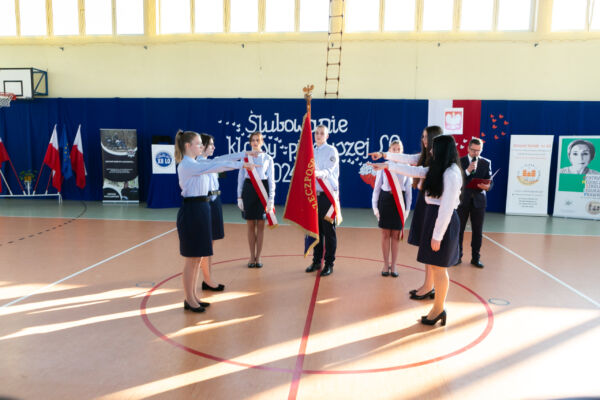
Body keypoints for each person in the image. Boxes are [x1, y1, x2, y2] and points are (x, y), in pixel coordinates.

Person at [370, 135, 463, 326]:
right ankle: (437, 308)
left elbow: (446, 208)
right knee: (436, 266)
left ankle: (439, 308)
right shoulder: (440, 167)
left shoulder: (451, 174)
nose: (429, 151)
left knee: (440, 267)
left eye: (433, 148)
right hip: (434, 217)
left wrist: (437, 235)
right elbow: (416, 170)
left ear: (442, 150)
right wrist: (387, 164)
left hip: (442, 221)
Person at [175, 130, 257, 313]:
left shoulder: (196, 162)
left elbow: (218, 161)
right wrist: (242, 165)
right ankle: (189, 299)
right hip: (192, 210)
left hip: (202, 208)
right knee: (191, 259)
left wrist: (243, 156)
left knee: (197, 258)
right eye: (198, 144)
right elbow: (218, 166)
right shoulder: (187, 165)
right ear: (188, 146)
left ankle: (194, 297)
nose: (202, 147)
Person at [369, 126, 443, 299]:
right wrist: (384, 156)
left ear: (433, 139)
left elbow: (415, 171)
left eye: (427, 137)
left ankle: (430, 287)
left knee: (430, 247)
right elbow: (409, 160)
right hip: (422, 202)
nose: (424, 140)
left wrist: (387, 162)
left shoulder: (437, 160)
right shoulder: (422, 157)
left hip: (433, 204)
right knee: (425, 246)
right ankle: (427, 285)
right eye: (422, 137)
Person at [199, 133, 259, 291]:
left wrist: (244, 154)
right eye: (211, 144)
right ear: (202, 146)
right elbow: (223, 163)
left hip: (214, 202)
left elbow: (225, 158)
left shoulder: (210, 161)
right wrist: (242, 164)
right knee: (205, 245)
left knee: (210, 245)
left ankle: (208, 277)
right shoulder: (200, 163)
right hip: (205, 202)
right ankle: (207, 278)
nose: (213, 147)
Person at [371, 140, 412, 278]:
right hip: (386, 201)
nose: (397, 151)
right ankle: (385, 264)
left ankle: (394, 265)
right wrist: (375, 207)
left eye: (399, 149)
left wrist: (406, 211)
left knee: (395, 235)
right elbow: (377, 188)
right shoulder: (384, 166)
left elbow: (408, 192)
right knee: (385, 234)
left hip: (399, 203)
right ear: (389, 151)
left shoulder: (406, 166)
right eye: (394, 149)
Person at [237, 132, 275, 269]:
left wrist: (271, 198)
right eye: (253, 140)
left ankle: (258, 256)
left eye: (257, 140)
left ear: (262, 142)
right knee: (250, 225)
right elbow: (240, 178)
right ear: (249, 142)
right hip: (248, 190)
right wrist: (239, 197)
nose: (255, 142)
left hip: (262, 191)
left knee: (260, 226)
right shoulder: (245, 157)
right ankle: (251, 256)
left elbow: (271, 180)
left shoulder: (268, 158)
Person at [305, 125, 340, 277]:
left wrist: (317, 173)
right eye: (316, 133)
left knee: (328, 231)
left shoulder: (331, 150)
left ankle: (329, 263)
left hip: (327, 195)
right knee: (315, 230)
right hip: (314, 195)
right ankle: (316, 260)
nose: (318, 135)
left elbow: (329, 170)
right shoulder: (310, 150)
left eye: (321, 134)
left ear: (327, 136)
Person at [457, 138, 492, 268]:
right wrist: (467, 171)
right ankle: (457, 256)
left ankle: (475, 258)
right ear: (468, 148)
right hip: (463, 200)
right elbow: (457, 180)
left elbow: (489, 180)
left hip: (479, 201)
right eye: (473, 150)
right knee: (459, 230)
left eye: (478, 151)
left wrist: (488, 187)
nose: (476, 153)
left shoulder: (486, 162)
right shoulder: (460, 161)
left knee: (477, 231)